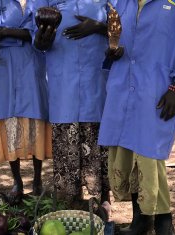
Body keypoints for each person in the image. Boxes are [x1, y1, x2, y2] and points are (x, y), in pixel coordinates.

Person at [99, 0, 175, 234]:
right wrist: (112, 51)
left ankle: (164, 222)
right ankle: (141, 219)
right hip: (123, 83)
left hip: (158, 88)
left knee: (150, 154)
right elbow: (115, 35)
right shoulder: (121, 2)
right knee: (129, 149)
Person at [33, 0, 111, 212]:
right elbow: (37, 41)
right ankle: (70, 203)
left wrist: (98, 27)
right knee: (66, 142)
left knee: (97, 140)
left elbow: (121, 26)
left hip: (96, 77)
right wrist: (44, 36)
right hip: (63, 80)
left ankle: (102, 201)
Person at [0, 0, 51, 204]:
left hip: (32, 65)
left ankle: (38, 180)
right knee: (10, 121)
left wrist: (6, 33)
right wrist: (21, 34)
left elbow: (40, 33)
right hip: (5, 67)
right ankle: (17, 182)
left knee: (35, 120)